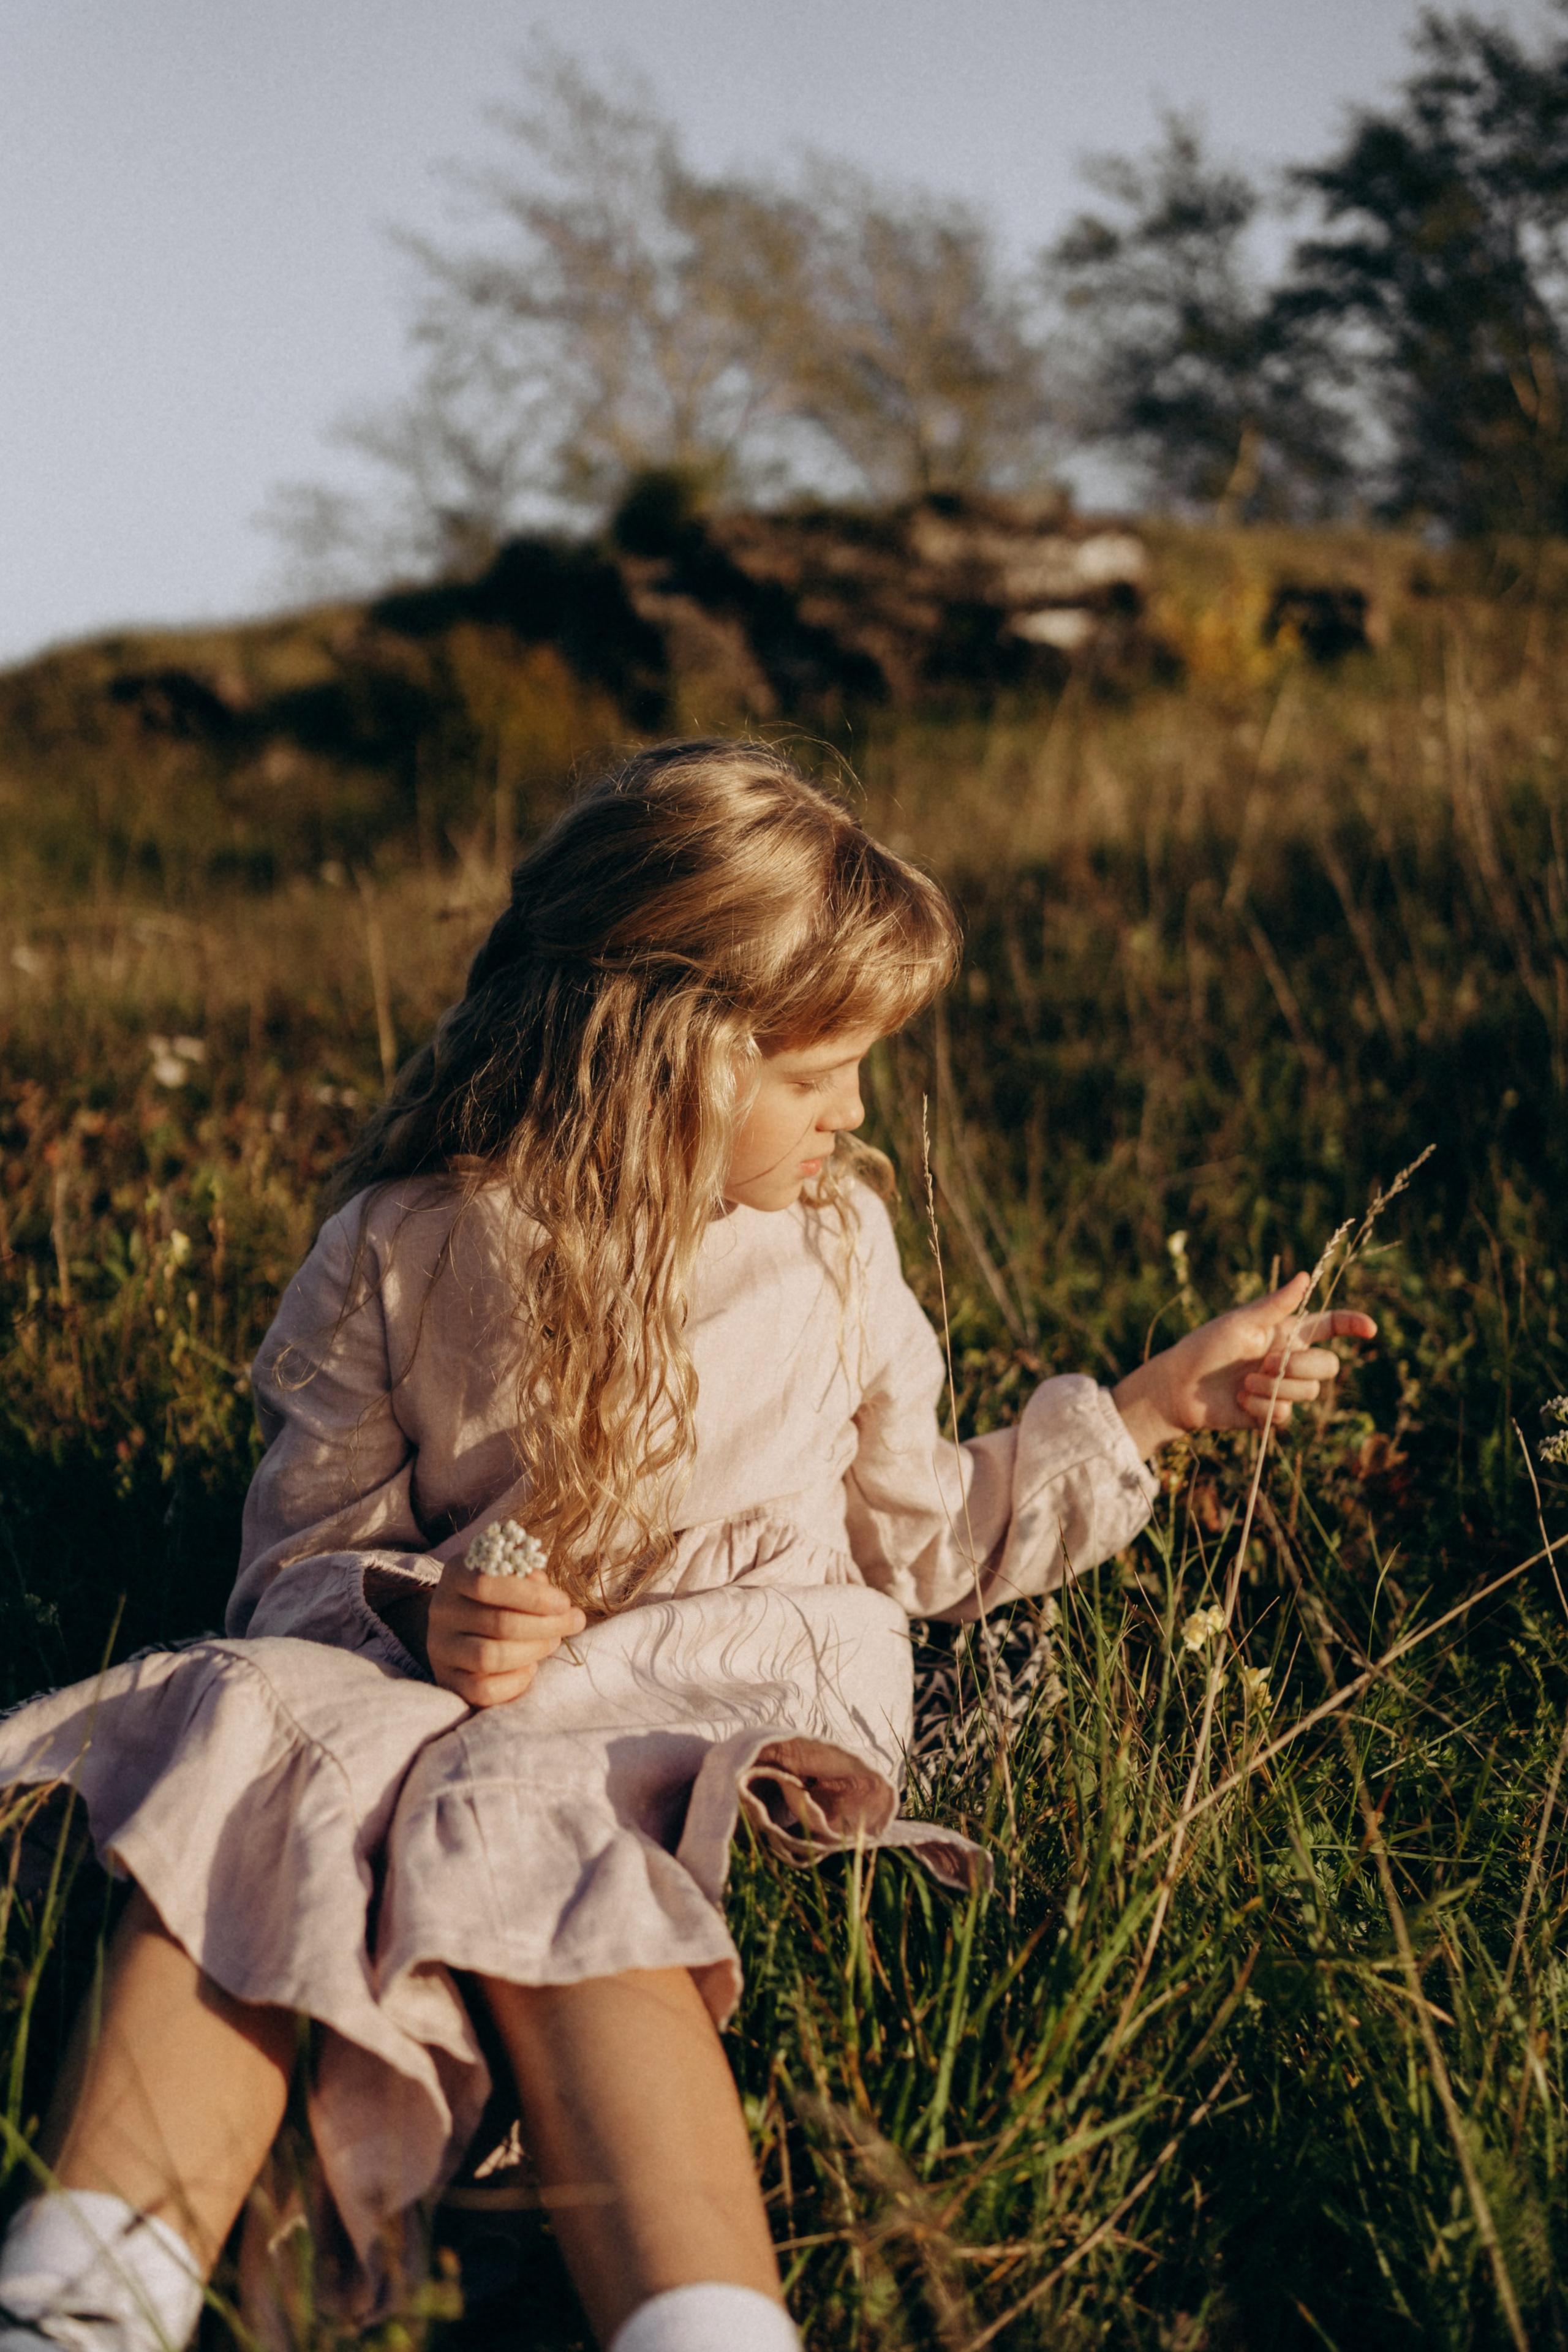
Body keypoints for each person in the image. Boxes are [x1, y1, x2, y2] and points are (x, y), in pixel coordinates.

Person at [0, 741, 1374, 2352]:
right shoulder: (405, 1243)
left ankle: (702, 2326)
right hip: (445, 1686)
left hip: (726, 1674)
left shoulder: (835, 1248)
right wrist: (421, 1612)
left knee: (521, 1794)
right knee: (258, 1725)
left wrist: (1145, 1415)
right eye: (818, 1074)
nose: (853, 1111)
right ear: (662, 1052)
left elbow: (928, 1536)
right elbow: (305, 1558)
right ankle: (82, 2300)